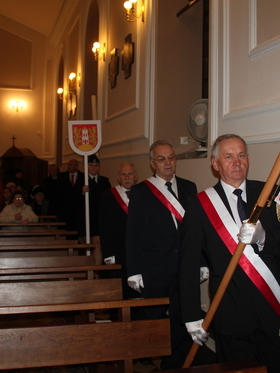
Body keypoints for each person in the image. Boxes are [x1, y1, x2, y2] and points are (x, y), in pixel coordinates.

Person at [179, 134, 280, 373]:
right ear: (215, 164)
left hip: (270, 310)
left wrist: (264, 238)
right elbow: (188, 264)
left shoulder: (269, 194)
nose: (237, 162)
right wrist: (192, 315)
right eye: (229, 156)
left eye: (241, 155)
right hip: (230, 315)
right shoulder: (199, 205)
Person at [125, 140, 198, 370]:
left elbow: (196, 230)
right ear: (152, 164)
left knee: (179, 318)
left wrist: (202, 262)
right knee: (153, 319)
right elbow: (132, 234)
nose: (168, 163)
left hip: (183, 268)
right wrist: (134, 270)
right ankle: (147, 356)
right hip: (153, 268)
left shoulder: (189, 187)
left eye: (171, 157)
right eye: (161, 159)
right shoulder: (140, 192)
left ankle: (172, 363)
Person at [99, 162, 138, 299]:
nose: (127, 177)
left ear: (136, 176)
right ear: (118, 177)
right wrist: (108, 253)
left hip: (138, 252)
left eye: (130, 173)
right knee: (119, 290)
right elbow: (104, 227)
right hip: (118, 252)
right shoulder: (108, 196)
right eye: (123, 174)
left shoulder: (143, 194)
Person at [82, 155, 111, 264]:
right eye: (91, 165)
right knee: (88, 245)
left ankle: (96, 272)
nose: (93, 168)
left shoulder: (104, 181)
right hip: (87, 217)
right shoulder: (82, 180)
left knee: (97, 243)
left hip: (99, 217)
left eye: (96, 165)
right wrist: (82, 192)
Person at [58, 159, 84, 239]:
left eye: (71, 165)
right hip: (66, 209)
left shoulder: (83, 176)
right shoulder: (62, 176)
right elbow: (59, 192)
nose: (68, 166)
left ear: (76, 166)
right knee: (68, 233)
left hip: (79, 210)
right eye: (68, 164)